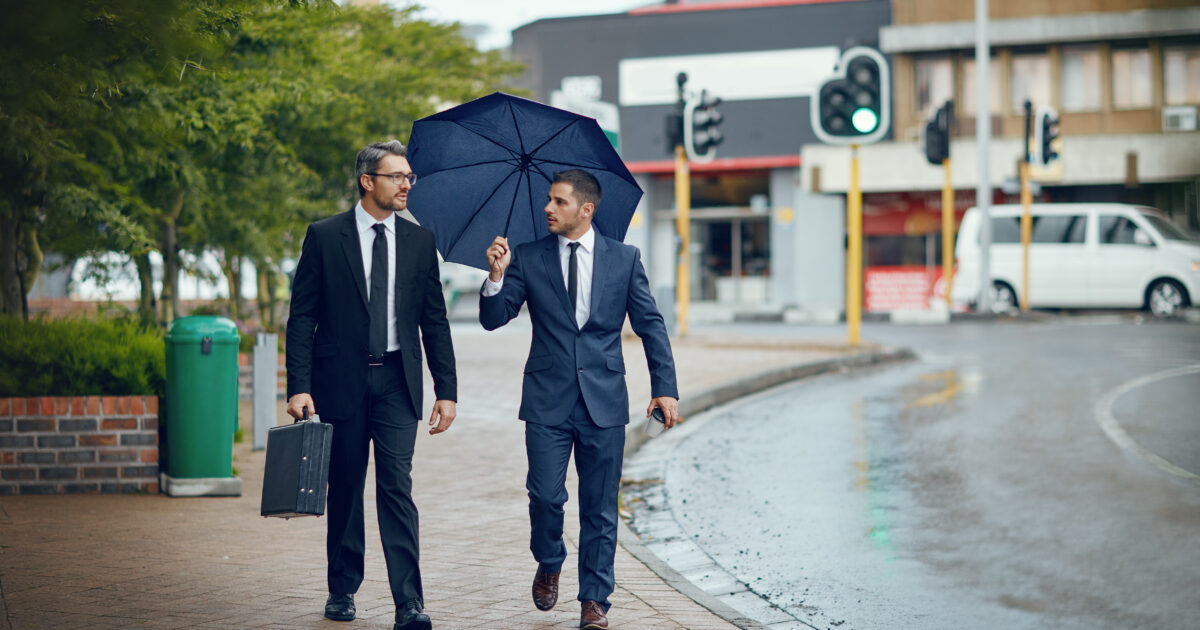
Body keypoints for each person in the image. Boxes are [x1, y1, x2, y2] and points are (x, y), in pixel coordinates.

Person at [479, 169, 679, 629]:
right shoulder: (527, 257)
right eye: (548, 200)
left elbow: (651, 325)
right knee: (545, 497)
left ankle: (595, 599)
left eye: (558, 202)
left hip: (604, 400)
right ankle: (550, 559)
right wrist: (495, 275)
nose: (547, 208)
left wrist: (664, 387)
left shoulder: (624, 259)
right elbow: (494, 318)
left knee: (600, 506)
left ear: (586, 209)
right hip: (547, 399)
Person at [286, 140, 457, 630]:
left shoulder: (420, 242)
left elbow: (435, 321)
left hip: (398, 382)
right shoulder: (324, 236)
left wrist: (446, 388)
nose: (406, 184)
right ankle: (342, 590)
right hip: (339, 380)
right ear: (367, 181)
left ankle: (409, 602)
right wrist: (299, 385)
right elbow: (302, 318)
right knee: (344, 485)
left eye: (409, 178)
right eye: (396, 176)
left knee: (396, 488)